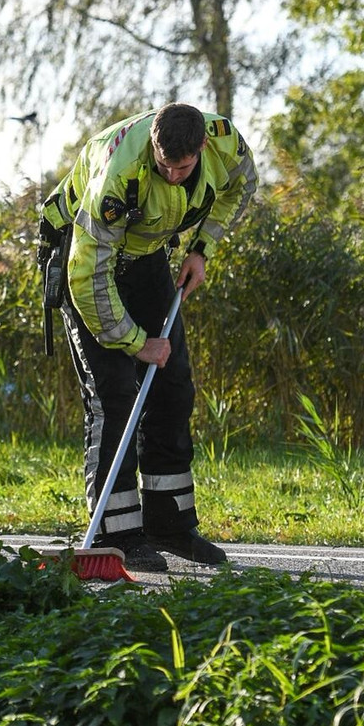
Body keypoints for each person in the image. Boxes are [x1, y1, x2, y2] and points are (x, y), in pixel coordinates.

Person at [39, 103, 257, 572]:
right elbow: (87, 277)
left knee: (173, 387)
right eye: (164, 166)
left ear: (202, 147)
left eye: (183, 168)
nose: (173, 177)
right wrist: (137, 343)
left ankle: (170, 525)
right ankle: (116, 535)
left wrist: (202, 247)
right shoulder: (116, 176)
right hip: (86, 260)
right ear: (153, 148)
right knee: (115, 395)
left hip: (146, 256)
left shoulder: (223, 141)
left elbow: (243, 185)